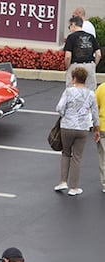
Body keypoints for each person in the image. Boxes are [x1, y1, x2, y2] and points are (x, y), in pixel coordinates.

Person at [54, 66, 101, 196]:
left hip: (67, 127)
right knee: (77, 157)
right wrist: (96, 129)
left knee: (66, 153)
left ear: (74, 78)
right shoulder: (91, 94)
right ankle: (74, 188)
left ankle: (63, 181)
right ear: (85, 79)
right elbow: (95, 114)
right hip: (82, 129)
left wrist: (65, 115)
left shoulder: (68, 92)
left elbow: (59, 107)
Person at [64, 15, 101, 91]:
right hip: (89, 65)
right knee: (90, 90)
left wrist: (67, 67)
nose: (70, 29)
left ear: (73, 24)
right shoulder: (91, 37)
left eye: (69, 26)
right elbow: (98, 54)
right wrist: (94, 64)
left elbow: (68, 56)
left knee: (71, 90)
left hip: (75, 66)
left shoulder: (71, 37)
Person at [96, 81, 105, 193]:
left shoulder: (101, 88)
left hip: (103, 126)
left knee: (103, 158)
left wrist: (95, 127)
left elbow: (95, 107)